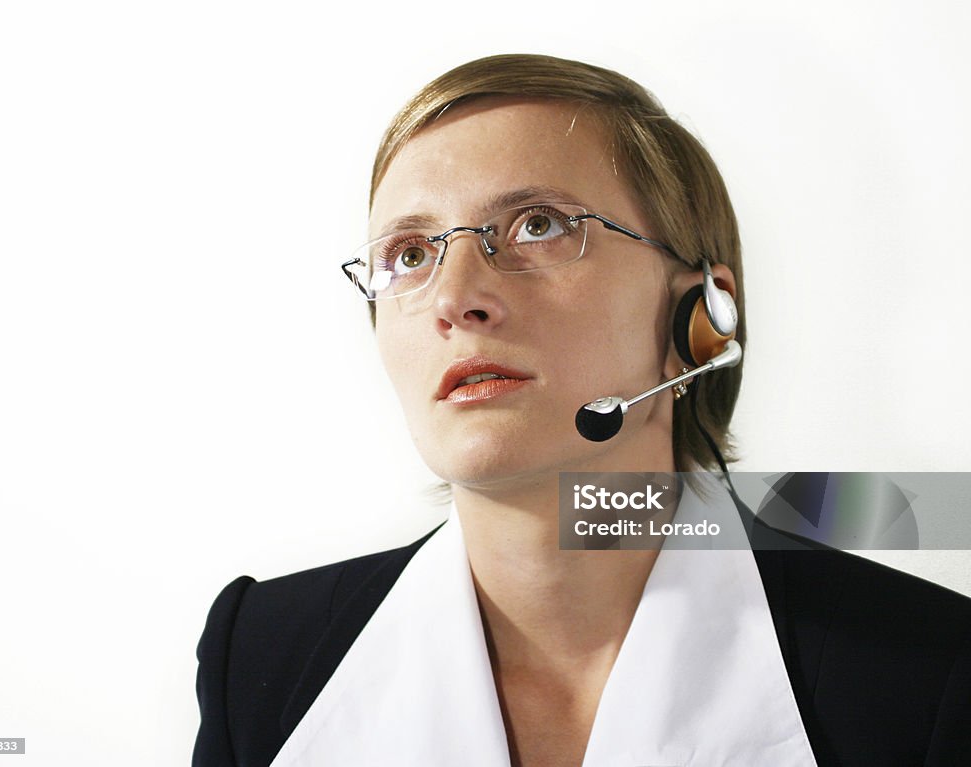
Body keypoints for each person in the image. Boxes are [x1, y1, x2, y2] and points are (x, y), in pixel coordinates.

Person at [193, 54, 971, 767]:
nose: (456, 298)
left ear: (701, 321)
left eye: (539, 224)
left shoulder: (930, 676)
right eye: (410, 254)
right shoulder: (260, 656)